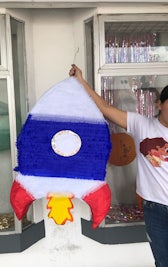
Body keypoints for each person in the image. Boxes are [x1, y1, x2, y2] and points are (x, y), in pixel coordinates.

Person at [69, 64, 168, 267]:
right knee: (163, 260)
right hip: (155, 209)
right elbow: (105, 108)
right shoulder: (143, 125)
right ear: (159, 104)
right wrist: (81, 81)